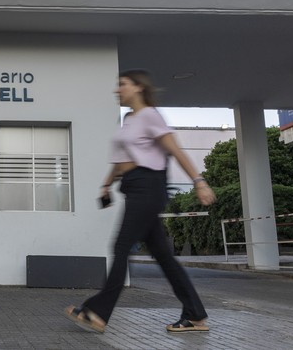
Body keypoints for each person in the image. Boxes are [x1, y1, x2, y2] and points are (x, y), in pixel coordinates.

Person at [65, 69, 216, 334]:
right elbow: (121, 160)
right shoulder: (129, 119)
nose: (117, 90)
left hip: (149, 186)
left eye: (122, 84)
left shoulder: (149, 116)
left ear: (137, 87)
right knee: (164, 258)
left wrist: (199, 181)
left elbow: (175, 149)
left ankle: (98, 312)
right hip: (134, 187)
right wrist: (106, 184)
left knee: (121, 245)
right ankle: (195, 315)